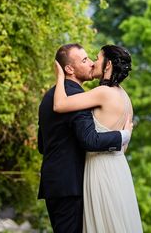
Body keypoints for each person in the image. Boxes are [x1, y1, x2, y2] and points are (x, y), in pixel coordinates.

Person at [38, 43, 132, 233]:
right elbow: (89, 140)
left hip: (55, 183)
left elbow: (42, 144)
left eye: (92, 58)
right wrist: (123, 135)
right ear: (69, 69)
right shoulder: (76, 97)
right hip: (71, 184)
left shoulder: (50, 95)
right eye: (85, 60)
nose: (90, 63)